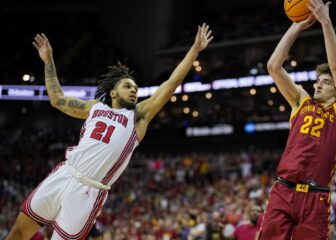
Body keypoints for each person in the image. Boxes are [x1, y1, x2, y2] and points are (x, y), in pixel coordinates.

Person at [6, 23, 213, 240]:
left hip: (88, 190)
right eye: (128, 86)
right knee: (18, 232)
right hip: (65, 173)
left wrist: (194, 50)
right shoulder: (94, 107)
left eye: (136, 88)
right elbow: (57, 100)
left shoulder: (138, 116)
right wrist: (49, 61)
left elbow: (170, 84)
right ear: (113, 92)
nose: (134, 90)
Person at [259, 0, 336, 239]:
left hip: (316, 196)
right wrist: (296, 26)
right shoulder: (301, 102)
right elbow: (273, 66)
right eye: (317, 81)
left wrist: (325, 22)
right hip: (283, 190)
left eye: (325, 82)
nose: (318, 84)